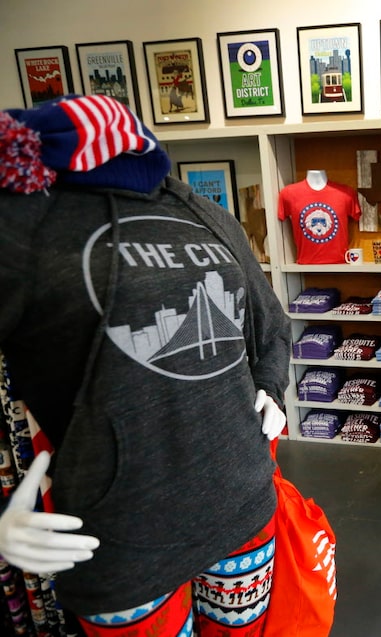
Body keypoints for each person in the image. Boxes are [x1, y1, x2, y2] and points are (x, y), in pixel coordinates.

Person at [0, 95, 291, 636]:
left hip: (241, 503)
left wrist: (270, 389)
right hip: (121, 537)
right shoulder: (22, 219)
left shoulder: (205, 214)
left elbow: (270, 323)